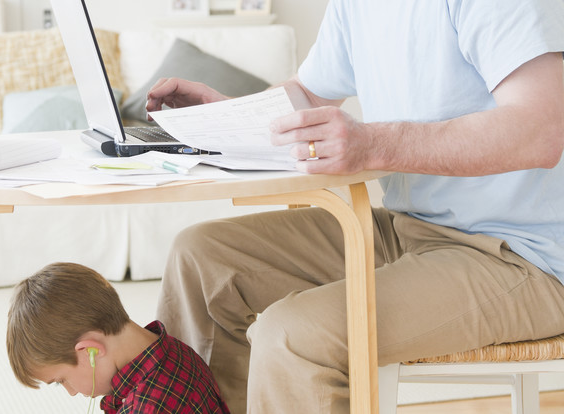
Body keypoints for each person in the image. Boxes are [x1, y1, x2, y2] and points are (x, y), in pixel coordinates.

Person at [145, 0, 564, 413]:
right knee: (201, 258)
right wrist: (226, 117)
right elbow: (310, 93)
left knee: (293, 334)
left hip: (523, 255)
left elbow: (540, 131)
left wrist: (374, 145)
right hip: (409, 228)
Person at [6, 262, 230, 414]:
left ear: (89, 351)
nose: (71, 392)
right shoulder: (176, 350)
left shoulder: (147, 406)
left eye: (61, 381)